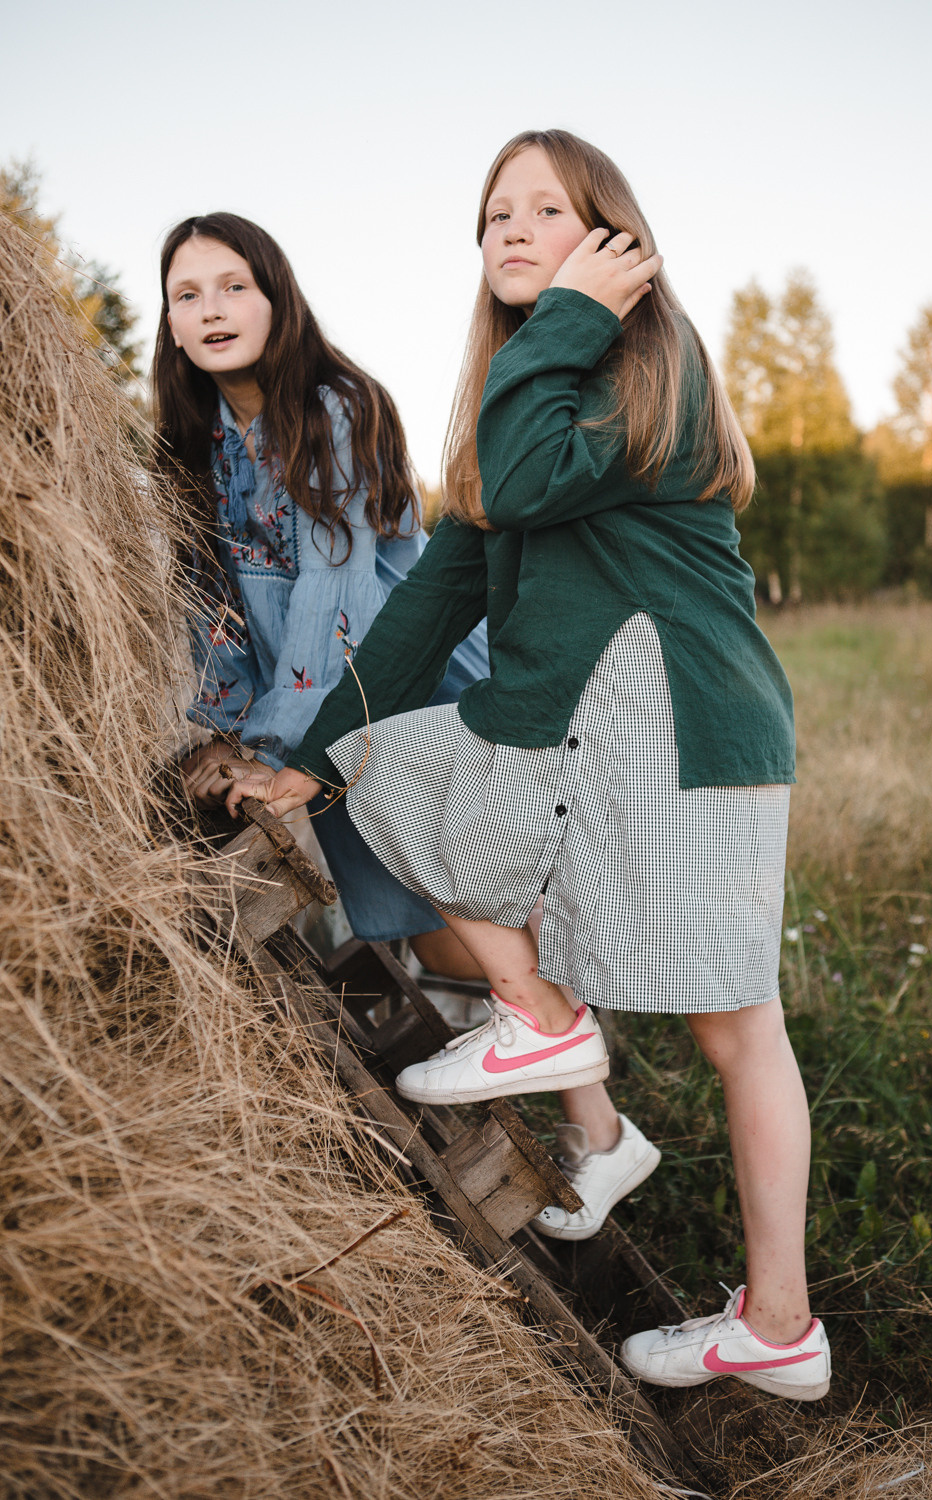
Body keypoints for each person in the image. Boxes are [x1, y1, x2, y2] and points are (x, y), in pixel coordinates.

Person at [225, 133, 831, 1401]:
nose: (507, 228)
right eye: (493, 212)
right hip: (599, 728)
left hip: (680, 725)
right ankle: (543, 1024)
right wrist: (311, 758)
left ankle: (775, 1323)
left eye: (544, 210)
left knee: (739, 1031)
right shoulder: (526, 403)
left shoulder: (639, 373)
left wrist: (558, 322)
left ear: (611, 241)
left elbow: (531, 473)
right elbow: (431, 600)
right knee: (382, 759)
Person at [153, 212, 488, 979]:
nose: (211, 309)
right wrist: (222, 732)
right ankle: (533, 1044)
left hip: (405, 677)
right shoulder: (192, 443)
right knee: (409, 909)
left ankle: (579, 1078)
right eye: (188, 295)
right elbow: (213, 605)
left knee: (468, 888)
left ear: (277, 300)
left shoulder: (334, 408)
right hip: (314, 702)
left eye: (234, 287)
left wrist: (269, 750)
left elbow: (331, 591)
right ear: (171, 327)